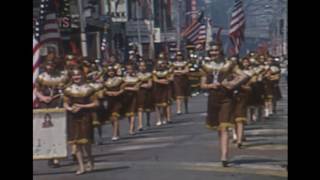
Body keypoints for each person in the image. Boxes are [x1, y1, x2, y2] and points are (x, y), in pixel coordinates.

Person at [200, 44, 247, 167]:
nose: (214, 53)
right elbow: (202, 85)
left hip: (227, 97)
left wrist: (232, 83)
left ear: (220, 51)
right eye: (212, 51)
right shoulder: (206, 66)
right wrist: (210, 86)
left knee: (224, 127)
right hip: (213, 98)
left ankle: (224, 156)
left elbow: (244, 75)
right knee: (219, 128)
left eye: (216, 50)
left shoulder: (229, 64)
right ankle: (223, 151)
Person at [35, 59, 69, 168]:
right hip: (45, 104)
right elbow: (37, 91)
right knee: (48, 130)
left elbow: (67, 89)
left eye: (52, 65)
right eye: (48, 65)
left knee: (59, 129)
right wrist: (43, 98)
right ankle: (50, 156)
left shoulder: (62, 76)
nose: (50, 67)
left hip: (57, 102)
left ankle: (58, 156)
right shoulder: (41, 77)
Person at [63, 68, 98, 175]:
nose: (76, 77)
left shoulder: (89, 89)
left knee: (86, 142)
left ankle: (90, 159)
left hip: (85, 117)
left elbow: (96, 103)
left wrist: (82, 106)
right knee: (76, 142)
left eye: (78, 75)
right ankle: (81, 166)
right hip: (72, 117)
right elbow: (65, 103)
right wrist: (69, 108)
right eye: (74, 75)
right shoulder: (68, 89)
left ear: (83, 76)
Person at [232, 57, 255, 148]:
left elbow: (249, 88)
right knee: (233, 118)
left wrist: (240, 86)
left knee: (240, 119)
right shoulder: (227, 76)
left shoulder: (246, 76)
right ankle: (235, 134)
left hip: (242, 97)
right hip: (230, 98)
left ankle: (239, 140)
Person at [103, 65, 125, 141]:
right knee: (111, 118)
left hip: (117, 100)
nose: (111, 73)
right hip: (109, 100)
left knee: (115, 117)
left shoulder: (119, 79)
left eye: (112, 71)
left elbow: (123, 89)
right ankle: (117, 131)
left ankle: (115, 134)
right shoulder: (105, 81)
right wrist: (107, 92)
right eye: (109, 71)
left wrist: (118, 92)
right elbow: (103, 90)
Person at [87, 62, 105, 145]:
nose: (95, 77)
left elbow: (101, 96)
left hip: (98, 105)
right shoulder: (87, 86)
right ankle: (90, 138)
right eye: (93, 75)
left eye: (96, 75)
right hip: (88, 106)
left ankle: (99, 137)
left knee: (98, 123)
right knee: (89, 123)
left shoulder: (100, 85)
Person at [122, 63, 141, 135]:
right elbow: (121, 87)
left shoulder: (136, 78)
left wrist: (127, 88)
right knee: (128, 113)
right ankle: (132, 126)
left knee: (132, 113)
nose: (129, 70)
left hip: (134, 96)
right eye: (128, 69)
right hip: (126, 96)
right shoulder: (124, 78)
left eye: (131, 69)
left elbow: (137, 88)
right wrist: (128, 88)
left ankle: (131, 128)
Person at [153, 55, 171, 126]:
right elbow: (155, 79)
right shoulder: (154, 71)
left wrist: (164, 81)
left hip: (165, 89)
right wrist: (162, 81)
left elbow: (169, 79)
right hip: (157, 89)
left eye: (163, 64)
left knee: (164, 104)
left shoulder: (167, 71)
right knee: (157, 105)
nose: (161, 65)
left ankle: (165, 117)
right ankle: (158, 119)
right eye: (160, 64)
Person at [137, 61, 153, 129]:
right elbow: (136, 85)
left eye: (143, 66)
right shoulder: (137, 75)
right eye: (141, 66)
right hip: (139, 93)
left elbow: (150, 85)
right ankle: (140, 124)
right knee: (140, 109)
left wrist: (142, 85)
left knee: (147, 108)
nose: (142, 67)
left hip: (147, 93)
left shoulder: (148, 74)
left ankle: (148, 121)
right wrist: (142, 85)